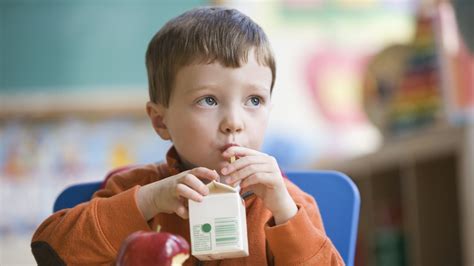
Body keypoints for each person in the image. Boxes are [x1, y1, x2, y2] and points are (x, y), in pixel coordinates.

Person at [31, 6, 344, 265]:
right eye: (208, 100)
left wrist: (285, 213)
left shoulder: (289, 204)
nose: (234, 122)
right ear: (161, 121)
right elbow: (50, 250)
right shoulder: (134, 189)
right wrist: (147, 201)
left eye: (254, 100)